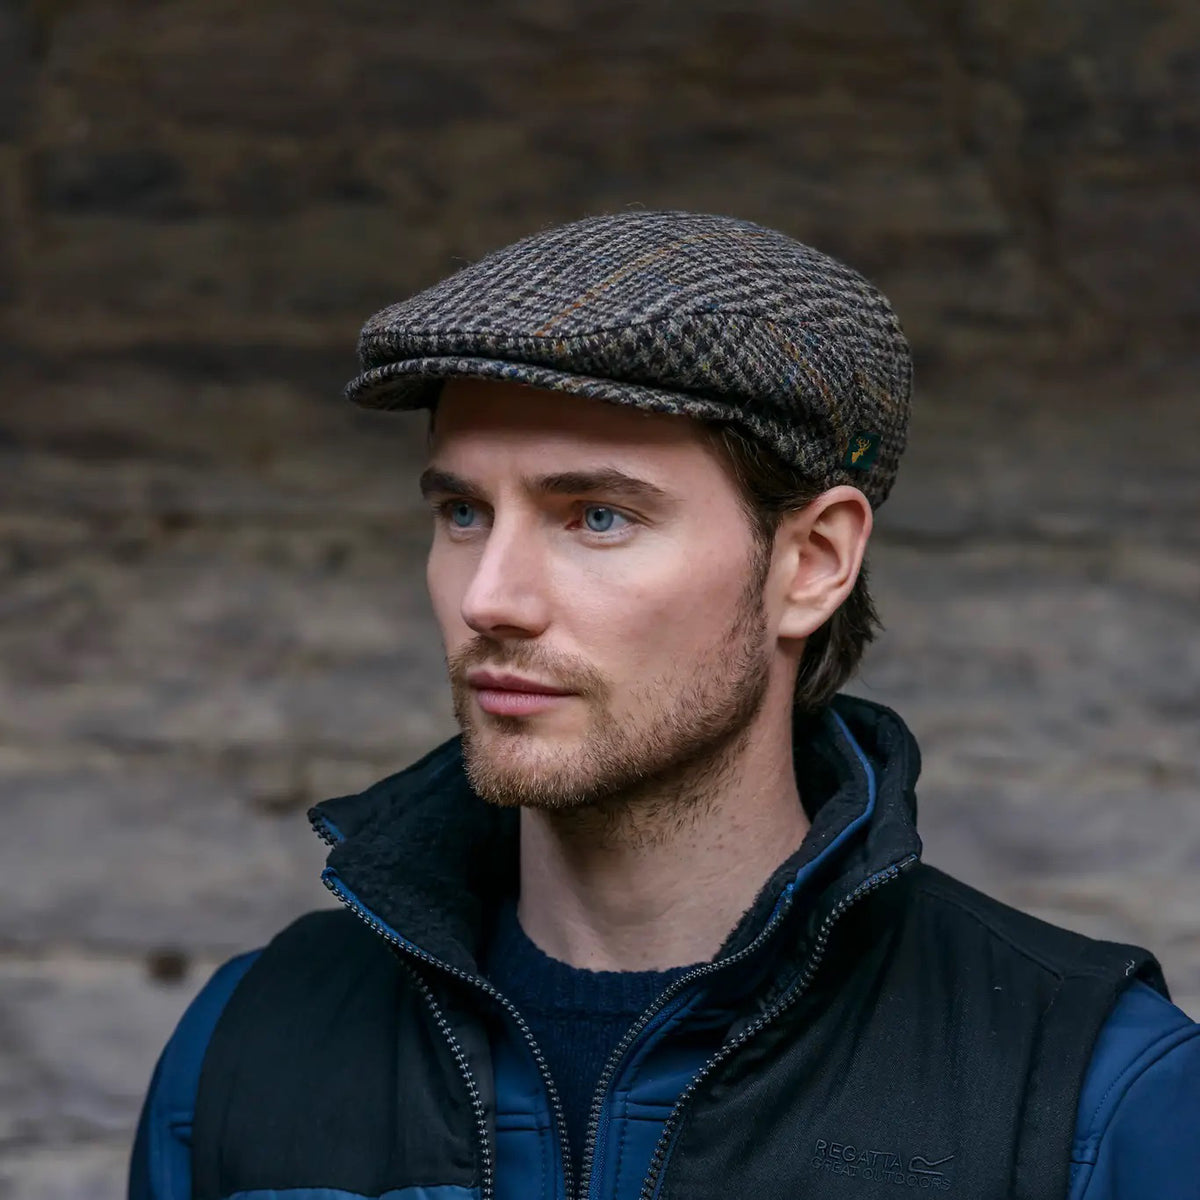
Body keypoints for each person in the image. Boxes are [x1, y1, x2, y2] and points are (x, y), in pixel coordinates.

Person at [129, 210, 1200, 1200]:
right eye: (462, 511)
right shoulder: (247, 1041)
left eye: (596, 516)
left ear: (812, 562)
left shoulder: (1092, 1091)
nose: (491, 597)